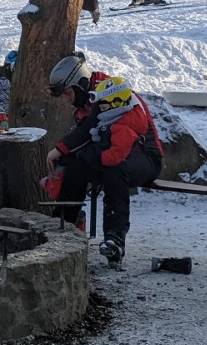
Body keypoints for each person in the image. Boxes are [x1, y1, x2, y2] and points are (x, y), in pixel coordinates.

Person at [44, 54, 164, 265]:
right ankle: (64, 225)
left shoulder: (111, 92)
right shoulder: (89, 100)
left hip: (145, 156)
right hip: (113, 151)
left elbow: (89, 127)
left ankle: (115, 239)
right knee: (76, 165)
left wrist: (59, 149)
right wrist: (68, 156)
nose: (67, 99)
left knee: (115, 168)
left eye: (68, 93)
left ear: (81, 84)